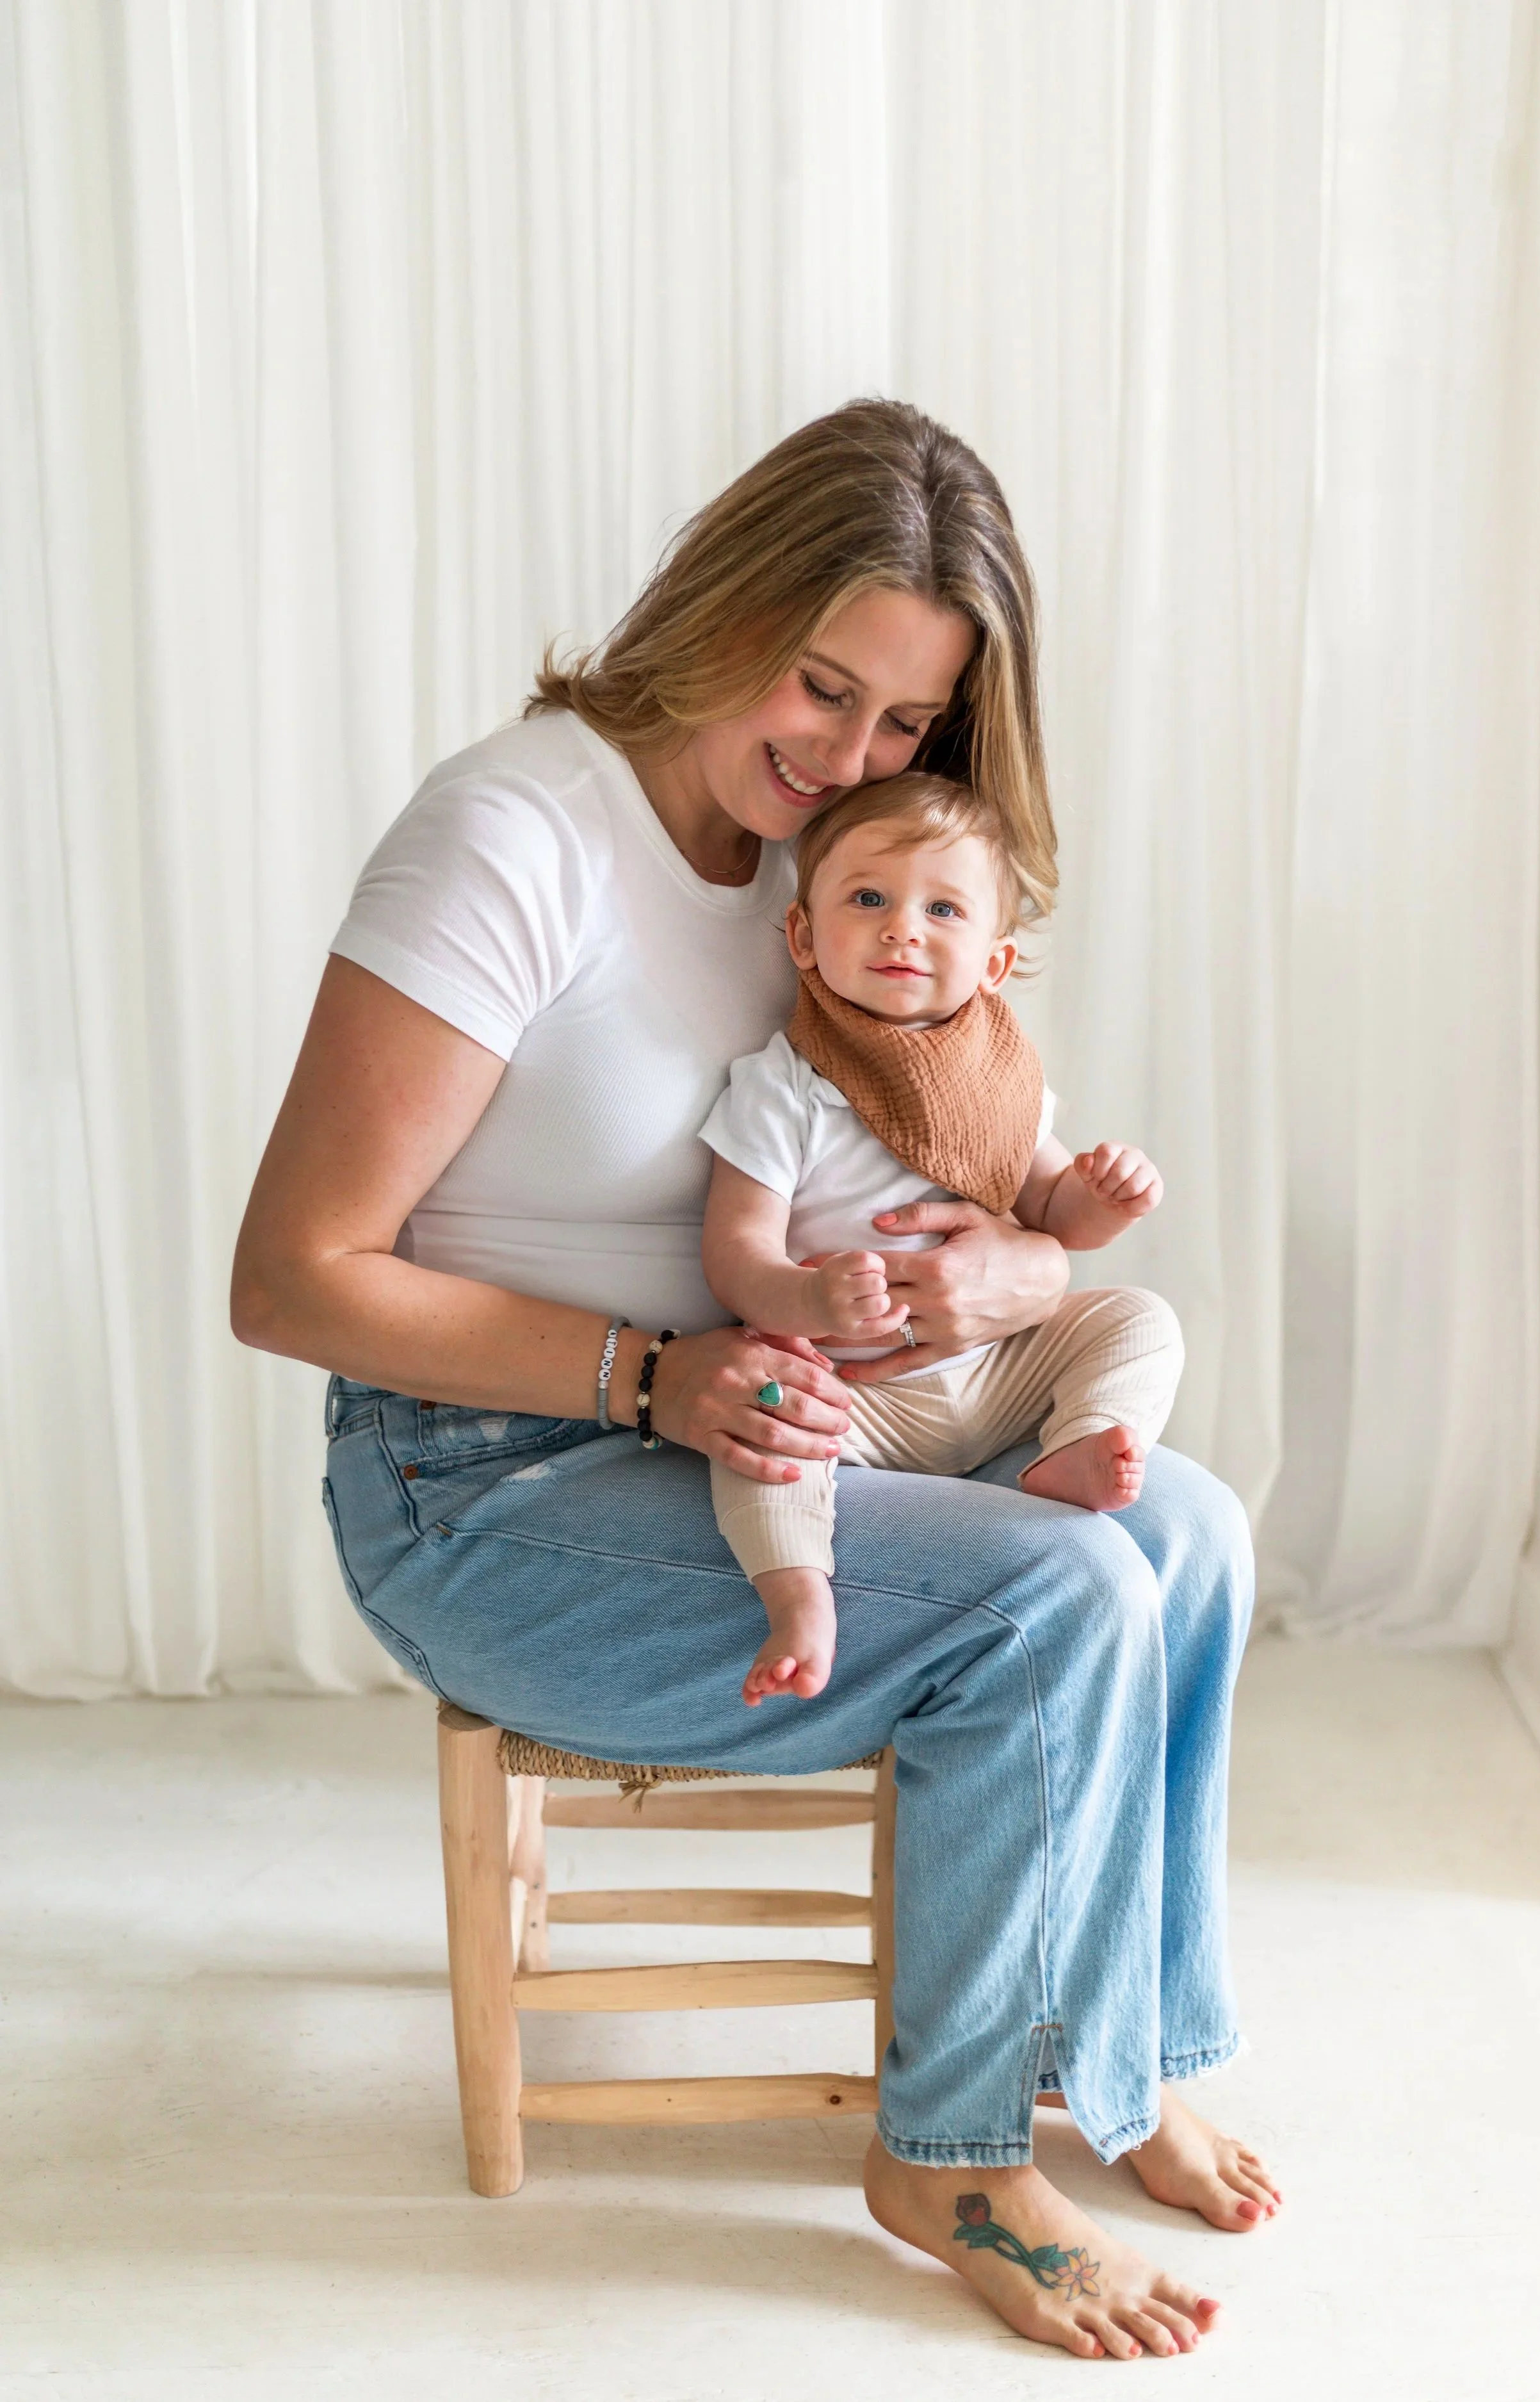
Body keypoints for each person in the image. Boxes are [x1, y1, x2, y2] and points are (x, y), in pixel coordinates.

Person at [231, 398, 1279, 2362]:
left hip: (774, 1421)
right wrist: (652, 1376)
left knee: (1181, 1525)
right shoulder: (512, 833)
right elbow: (289, 1277)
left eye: (905, 728)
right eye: (821, 684)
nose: (849, 756)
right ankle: (951, 2152)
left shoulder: (831, 877)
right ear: (720, 603)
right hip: (487, 1487)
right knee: (1055, 1595)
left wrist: (1014, 1263)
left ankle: (1100, 2056)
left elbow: (964, 1191)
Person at [699, 769, 1185, 1706]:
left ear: (995, 963)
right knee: (760, 1424)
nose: (903, 927)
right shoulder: (786, 1086)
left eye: (945, 908)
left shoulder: (1000, 1081)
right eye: (869, 898)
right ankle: (801, 1597)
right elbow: (734, 1250)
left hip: (994, 1375)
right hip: (852, 1396)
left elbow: (1051, 1213)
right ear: (802, 936)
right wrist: (804, 1297)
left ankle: (1071, 1450)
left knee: (1139, 1318)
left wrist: (1106, 1198)